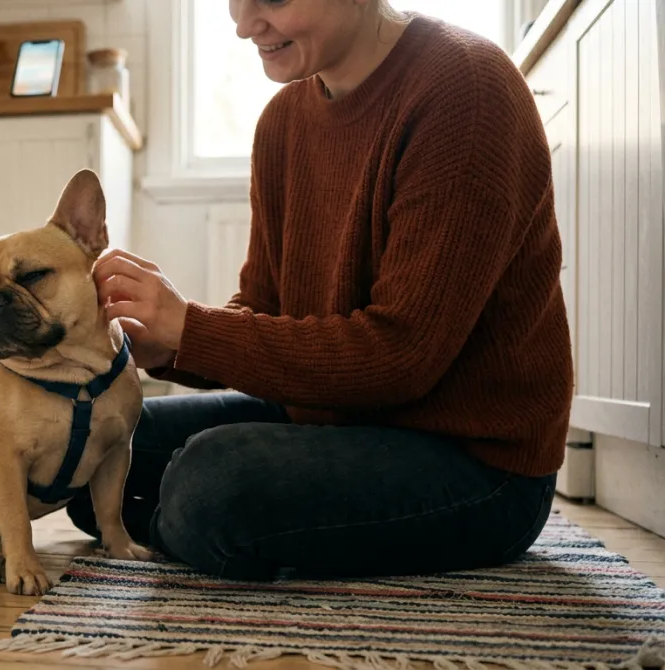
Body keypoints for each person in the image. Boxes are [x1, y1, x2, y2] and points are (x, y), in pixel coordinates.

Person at [62, 0, 573, 580]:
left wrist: (193, 330)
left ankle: (202, 522)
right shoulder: (281, 122)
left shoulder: (467, 90)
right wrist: (165, 342)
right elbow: (262, 309)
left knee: (208, 483)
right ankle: (212, 529)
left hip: (479, 464)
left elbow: (402, 357)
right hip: (333, 416)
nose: (243, 23)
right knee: (89, 446)